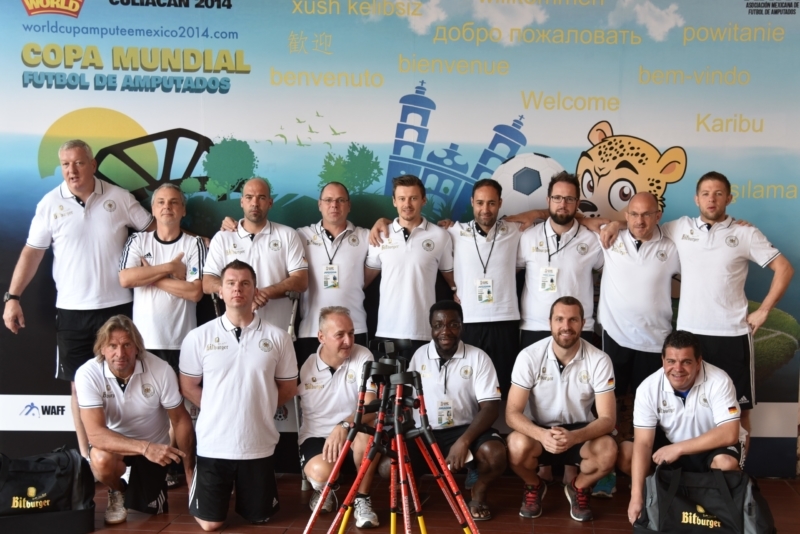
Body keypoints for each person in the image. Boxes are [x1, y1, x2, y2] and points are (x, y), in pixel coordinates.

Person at [599, 172, 794, 448]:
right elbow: (641, 225)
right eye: (705, 193)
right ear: (696, 198)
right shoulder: (679, 228)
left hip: (731, 335)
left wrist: (763, 311)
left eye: (717, 194)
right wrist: (617, 223)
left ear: (729, 198)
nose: (711, 199)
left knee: (738, 412)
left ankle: (735, 479)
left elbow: (784, 268)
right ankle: (689, 472)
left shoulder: (745, 233)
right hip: (689, 337)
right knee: (686, 408)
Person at [3, 139, 155, 459]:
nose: (71, 170)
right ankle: (89, 458)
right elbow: (33, 251)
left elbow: (153, 231)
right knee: (78, 386)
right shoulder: (49, 203)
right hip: (72, 313)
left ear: (93, 165)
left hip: (118, 309)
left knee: (123, 383)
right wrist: (13, 296)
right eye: (65, 164)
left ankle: (128, 460)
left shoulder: (119, 197)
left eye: (78, 163)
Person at [180, 260, 298, 531]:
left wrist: (259, 406)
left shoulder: (278, 338)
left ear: (255, 290)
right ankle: (206, 492)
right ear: (220, 290)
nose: (237, 289)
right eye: (231, 283)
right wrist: (218, 407)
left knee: (260, 517)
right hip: (213, 444)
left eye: (245, 283)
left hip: (257, 444)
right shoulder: (198, 337)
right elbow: (188, 386)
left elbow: (289, 388)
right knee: (211, 525)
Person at [74, 315, 195, 525]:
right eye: (112, 345)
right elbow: (95, 434)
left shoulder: (160, 369)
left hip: (155, 448)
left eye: (127, 345)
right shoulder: (87, 373)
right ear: (102, 348)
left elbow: (180, 420)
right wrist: (145, 447)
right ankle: (117, 491)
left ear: (137, 347)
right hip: (117, 446)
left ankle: (145, 485)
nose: (120, 353)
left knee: (153, 511)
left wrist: (189, 471)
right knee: (101, 460)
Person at [506, 296, 617, 522]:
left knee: (608, 451)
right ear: (550, 323)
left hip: (580, 431)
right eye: (559, 319)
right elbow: (512, 413)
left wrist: (575, 436)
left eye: (573, 320)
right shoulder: (529, 356)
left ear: (583, 323)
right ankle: (534, 485)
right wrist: (541, 435)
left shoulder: (600, 359)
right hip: (539, 431)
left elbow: (608, 419)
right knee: (515, 446)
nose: (566, 326)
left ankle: (578, 487)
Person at [619, 330, 745, 526]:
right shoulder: (648, 387)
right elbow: (643, 443)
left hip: (709, 447)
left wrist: (679, 448)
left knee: (726, 463)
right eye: (671, 361)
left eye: (686, 361)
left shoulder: (719, 381)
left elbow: (730, 434)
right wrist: (636, 497)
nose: (677, 369)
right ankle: (659, 492)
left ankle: (713, 508)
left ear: (698, 361)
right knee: (627, 452)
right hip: (673, 446)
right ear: (663, 360)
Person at [406, 300, 507, 521]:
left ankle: (478, 493)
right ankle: (416, 490)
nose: (445, 331)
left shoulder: (478, 357)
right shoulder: (419, 357)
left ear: (462, 326)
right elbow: (406, 401)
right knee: (388, 465)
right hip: (426, 431)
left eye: (453, 324)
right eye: (438, 324)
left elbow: (490, 408)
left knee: (495, 455)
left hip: (466, 429)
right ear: (431, 327)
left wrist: (463, 441)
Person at [298, 306, 379, 528]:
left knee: (367, 436)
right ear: (321, 337)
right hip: (317, 435)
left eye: (351, 333)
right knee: (321, 473)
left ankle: (362, 500)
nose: (348, 340)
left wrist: (344, 425)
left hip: (353, 429)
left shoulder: (363, 355)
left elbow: (372, 404)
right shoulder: (306, 367)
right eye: (340, 335)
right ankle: (327, 488)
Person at [119, 183, 205, 375]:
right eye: (161, 202)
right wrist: (170, 268)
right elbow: (126, 279)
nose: (167, 206)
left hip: (181, 343)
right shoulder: (138, 241)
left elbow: (195, 292)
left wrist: (149, 276)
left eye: (174, 202)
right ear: (153, 209)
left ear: (183, 210)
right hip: (143, 342)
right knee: (146, 403)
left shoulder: (194, 244)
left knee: (180, 402)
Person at [364, 175, 455, 349]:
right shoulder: (380, 235)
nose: (407, 204)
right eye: (402, 198)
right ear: (394, 201)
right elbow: (363, 281)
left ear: (423, 200)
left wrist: (458, 292)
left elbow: (451, 279)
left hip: (424, 332)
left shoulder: (440, 236)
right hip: (386, 331)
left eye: (413, 198)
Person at [205, 178, 308, 330]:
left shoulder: (288, 235)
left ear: (270, 203)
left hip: (277, 331)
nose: (255, 203)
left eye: (261, 197)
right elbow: (207, 283)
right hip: (232, 331)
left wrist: (264, 293)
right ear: (241, 202)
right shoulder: (222, 237)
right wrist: (238, 292)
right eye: (249, 197)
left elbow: (301, 281)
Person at [516, 172, 604, 349]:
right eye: (557, 198)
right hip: (535, 327)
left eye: (569, 199)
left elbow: (611, 274)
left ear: (577, 203)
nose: (562, 204)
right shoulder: (528, 237)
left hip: (578, 328)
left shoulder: (592, 239)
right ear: (548, 200)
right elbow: (508, 274)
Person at [295, 182, 369, 365]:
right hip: (312, 330)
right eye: (328, 200)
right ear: (319, 204)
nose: (334, 205)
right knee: (312, 390)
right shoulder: (299, 236)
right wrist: (230, 226)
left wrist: (385, 221)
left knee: (357, 389)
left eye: (340, 200)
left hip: (354, 330)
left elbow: (397, 231)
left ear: (349, 205)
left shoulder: (366, 237)